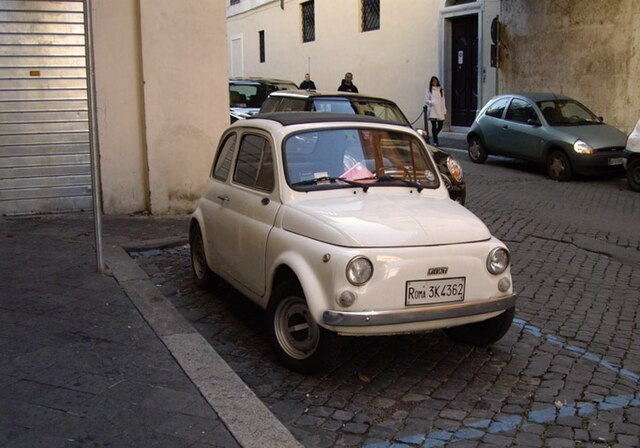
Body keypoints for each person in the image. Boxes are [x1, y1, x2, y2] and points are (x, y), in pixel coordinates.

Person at [424, 76, 447, 146]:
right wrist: (432, 102)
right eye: (433, 81)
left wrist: (444, 109)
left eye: (435, 81)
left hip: (439, 109)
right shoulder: (428, 90)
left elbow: (443, 100)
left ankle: (434, 135)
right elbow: (426, 99)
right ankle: (435, 141)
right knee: (433, 126)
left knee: (440, 126)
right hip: (432, 110)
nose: (434, 82)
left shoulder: (440, 90)